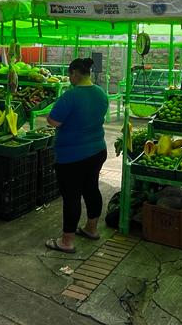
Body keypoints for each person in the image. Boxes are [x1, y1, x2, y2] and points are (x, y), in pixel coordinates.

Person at [44, 58, 109, 253]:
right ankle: (91, 229)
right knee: (91, 189)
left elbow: (53, 122)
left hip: (72, 156)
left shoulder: (70, 96)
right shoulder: (101, 93)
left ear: (74, 73)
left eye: (69, 74)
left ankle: (67, 241)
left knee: (71, 197)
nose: (69, 78)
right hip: (97, 151)